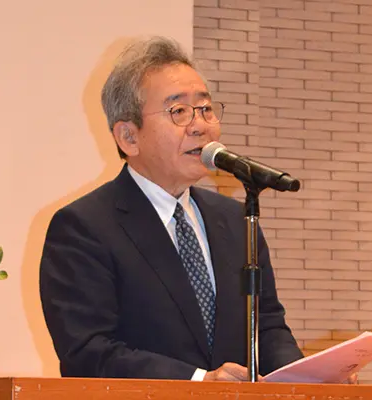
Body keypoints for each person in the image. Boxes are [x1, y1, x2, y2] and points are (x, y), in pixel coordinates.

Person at [39, 35, 305, 381]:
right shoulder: (83, 228)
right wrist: (199, 381)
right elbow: (88, 352)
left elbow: (267, 329)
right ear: (128, 137)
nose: (201, 126)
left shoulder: (236, 220)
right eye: (178, 111)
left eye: (206, 109)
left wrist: (312, 377)